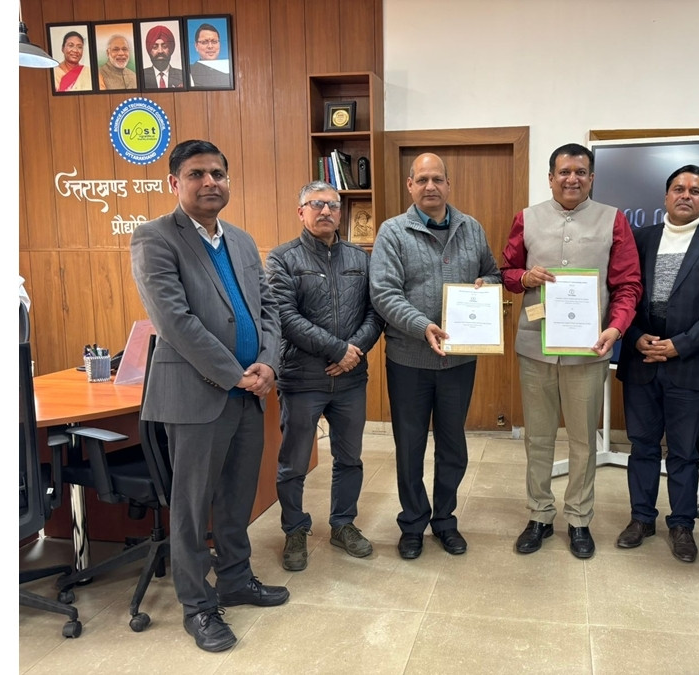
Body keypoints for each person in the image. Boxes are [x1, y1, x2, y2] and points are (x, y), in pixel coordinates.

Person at [130, 140, 287, 652]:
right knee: (193, 507)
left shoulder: (240, 240)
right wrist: (234, 373)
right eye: (196, 174)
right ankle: (197, 606)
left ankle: (236, 580)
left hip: (249, 393)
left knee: (238, 497)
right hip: (197, 395)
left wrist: (268, 363)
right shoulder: (155, 238)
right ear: (174, 182)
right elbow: (174, 321)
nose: (209, 182)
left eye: (217, 173)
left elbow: (267, 307)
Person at [501, 143, 641, 559]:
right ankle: (540, 515)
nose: (572, 179)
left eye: (581, 172)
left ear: (592, 178)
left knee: (582, 440)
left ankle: (579, 518)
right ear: (550, 177)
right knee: (538, 438)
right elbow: (506, 271)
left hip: (588, 350)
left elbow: (627, 284)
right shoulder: (526, 218)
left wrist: (616, 328)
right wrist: (524, 278)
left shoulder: (613, 220)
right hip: (535, 347)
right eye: (564, 172)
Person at [369, 152, 501, 561]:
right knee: (410, 447)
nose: (430, 186)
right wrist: (422, 325)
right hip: (409, 360)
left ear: (448, 184)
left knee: (453, 446)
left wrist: (485, 285)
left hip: (459, 362)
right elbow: (384, 293)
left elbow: (493, 273)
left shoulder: (471, 228)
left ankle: (444, 521)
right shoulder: (393, 232)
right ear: (410, 185)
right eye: (422, 179)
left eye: (437, 179)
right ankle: (412, 523)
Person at [614, 166, 699, 563]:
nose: (686, 195)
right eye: (678, 189)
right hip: (642, 359)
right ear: (666, 196)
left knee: (684, 451)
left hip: (691, 363)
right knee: (642, 446)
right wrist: (635, 336)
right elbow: (622, 292)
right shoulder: (640, 238)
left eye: (695, 190)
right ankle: (641, 518)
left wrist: (679, 346)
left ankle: (682, 525)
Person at [266, 181, 383, 572]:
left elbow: (375, 313)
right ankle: (295, 529)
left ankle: (343, 524)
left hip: (351, 380)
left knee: (350, 459)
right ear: (301, 211)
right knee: (294, 463)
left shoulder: (360, 257)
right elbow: (284, 316)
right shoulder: (283, 258)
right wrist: (337, 349)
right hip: (302, 379)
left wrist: (353, 353)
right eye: (316, 204)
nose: (326, 211)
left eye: (333, 205)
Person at [141, 24, 184, 89]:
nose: (160, 51)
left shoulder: (182, 75)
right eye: (155, 47)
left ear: (171, 49)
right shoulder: (141, 76)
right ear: (149, 50)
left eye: (164, 46)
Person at [189, 23, 231, 88]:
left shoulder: (229, 69)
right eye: (204, 42)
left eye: (214, 42)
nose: (210, 46)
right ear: (196, 46)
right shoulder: (189, 71)